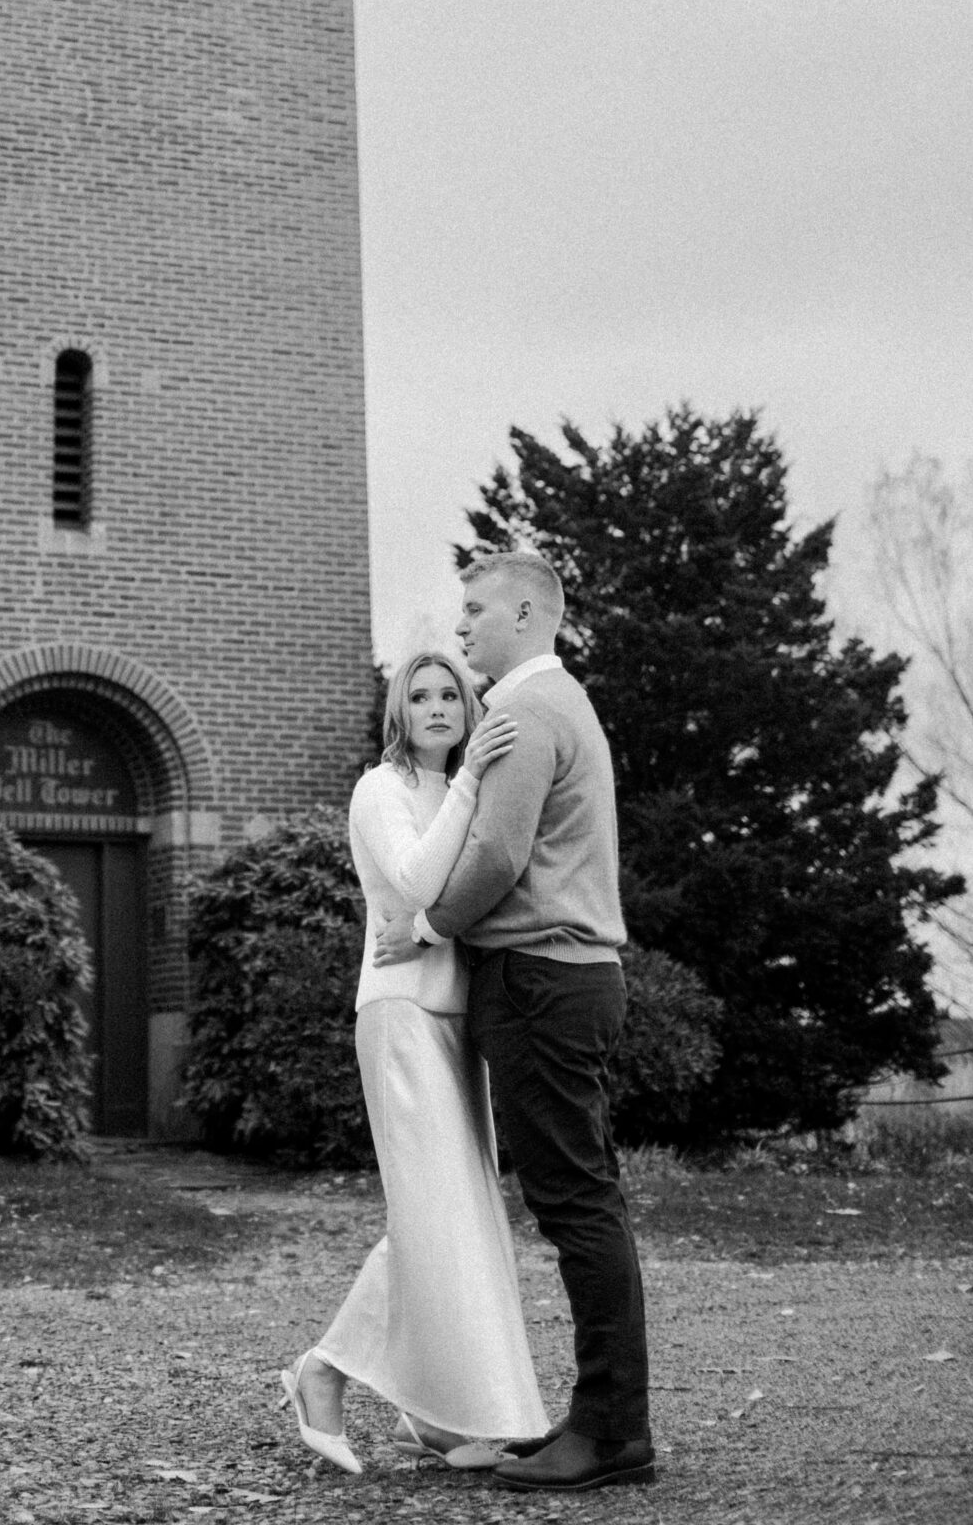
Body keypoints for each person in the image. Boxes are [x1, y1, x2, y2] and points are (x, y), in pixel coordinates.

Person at [375, 551, 654, 1494]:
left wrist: (423, 925)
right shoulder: (551, 703)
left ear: (528, 610)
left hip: (541, 980)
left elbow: (496, 854)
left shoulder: (530, 710)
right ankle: (602, 1419)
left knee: (576, 1203)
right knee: (581, 1197)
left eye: (474, 608)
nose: (459, 628)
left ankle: (611, 1433)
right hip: (557, 981)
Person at [280, 652, 550, 1475]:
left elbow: (478, 894)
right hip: (398, 1015)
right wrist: (468, 785)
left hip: (458, 1022)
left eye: (450, 695)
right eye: (419, 697)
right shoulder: (381, 789)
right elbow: (411, 883)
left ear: (470, 706)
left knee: (459, 1222)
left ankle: (434, 1417)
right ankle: (320, 1374)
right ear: (399, 713)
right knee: (432, 1219)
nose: (436, 706)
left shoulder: (464, 788)